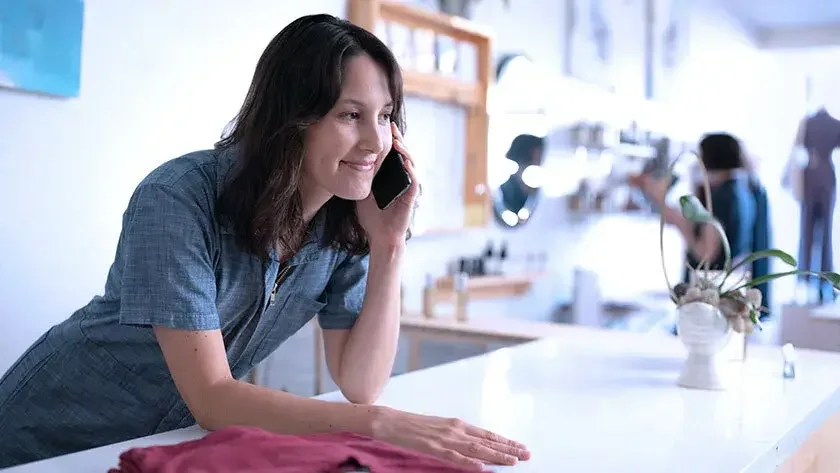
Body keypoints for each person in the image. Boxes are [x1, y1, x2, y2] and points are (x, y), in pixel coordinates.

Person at [0, 14, 530, 469]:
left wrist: (389, 244)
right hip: (42, 437)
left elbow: (360, 382)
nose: (376, 142)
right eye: (350, 115)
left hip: (157, 448)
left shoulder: (345, 224)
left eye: (386, 116)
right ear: (291, 118)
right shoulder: (178, 198)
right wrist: (378, 425)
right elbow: (212, 396)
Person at [632, 133, 771, 317]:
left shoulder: (722, 197)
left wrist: (681, 225)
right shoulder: (742, 191)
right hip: (724, 296)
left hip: (708, 302)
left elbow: (705, 252)